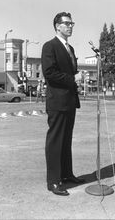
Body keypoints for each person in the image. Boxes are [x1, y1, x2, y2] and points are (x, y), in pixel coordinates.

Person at [41, 12, 84, 196]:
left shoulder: (70, 48)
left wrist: (77, 79)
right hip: (57, 101)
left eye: (71, 23)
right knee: (55, 141)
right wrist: (73, 78)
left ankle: (66, 174)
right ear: (57, 26)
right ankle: (53, 182)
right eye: (66, 23)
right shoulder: (49, 46)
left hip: (69, 101)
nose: (70, 26)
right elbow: (50, 73)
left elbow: (70, 74)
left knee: (66, 140)